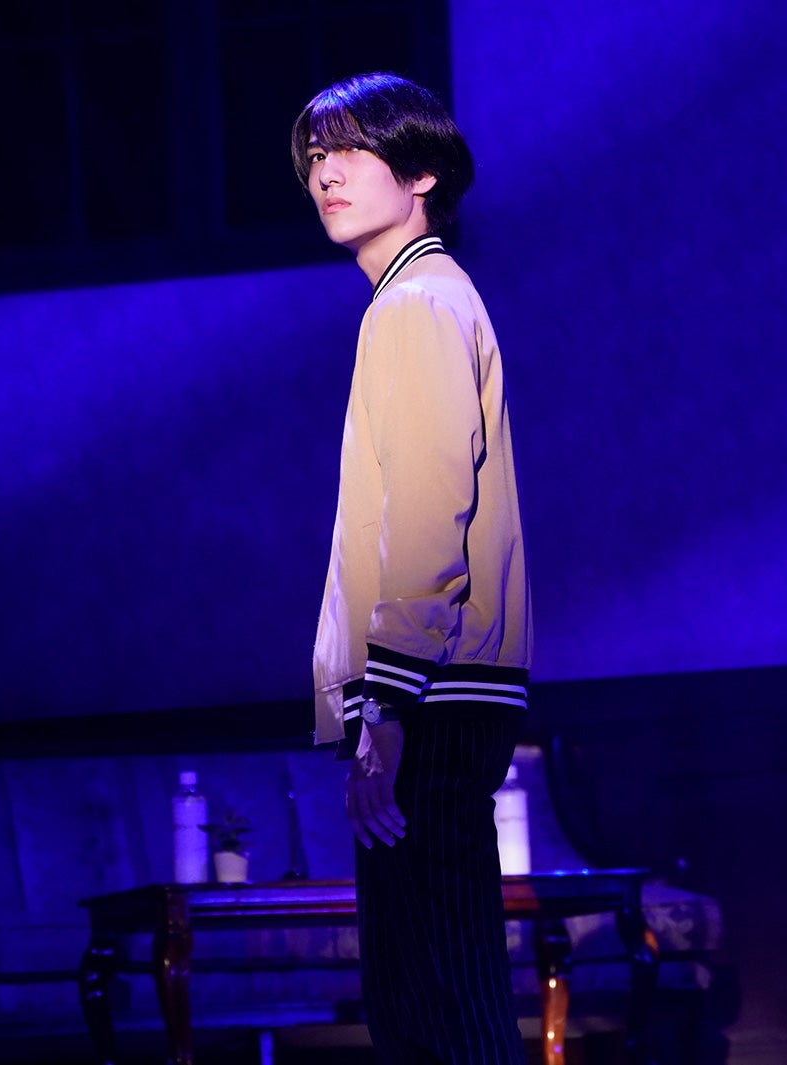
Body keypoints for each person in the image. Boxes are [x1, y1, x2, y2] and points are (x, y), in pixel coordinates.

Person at [293, 72, 533, 1064]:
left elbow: (432, 513)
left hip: (428, 692)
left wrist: (385, 708)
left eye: (350, 149)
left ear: (422, 170)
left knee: (439, 1004)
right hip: (431, 687)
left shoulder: (419, 304)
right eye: (315, 155)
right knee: (425, 996)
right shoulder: (415, 300)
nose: (325, 172)